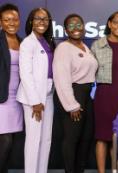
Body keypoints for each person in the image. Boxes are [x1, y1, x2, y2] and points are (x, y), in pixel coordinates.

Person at [53, 14, 98, 173]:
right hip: (73, 94)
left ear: (84, 27)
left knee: (86, 138)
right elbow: (61, 78)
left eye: (79, 24)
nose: (76, 28)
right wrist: (72, 105)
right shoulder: (63, 48)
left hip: (86, 95)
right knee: (71, 140)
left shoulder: (85, 47)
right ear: (65, 30)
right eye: (71, 26)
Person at [91, 11, 118, 173]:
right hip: (104, 94)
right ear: (109, 24)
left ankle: (115, 170)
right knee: (102, 136)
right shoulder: (97, 45)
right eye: (116, 22)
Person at [16, 7, 55, 173]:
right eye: (38, 18)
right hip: (34, 99)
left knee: (46, 140)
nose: (42, 22)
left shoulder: (47, 42)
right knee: (33, 140)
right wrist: (35, 102)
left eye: (45, 19)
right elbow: (25, 74)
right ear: (31, 21)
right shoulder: (27, 43)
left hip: (48, 96)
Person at [0, 3, 23, 173]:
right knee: (5, 140)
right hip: (2, 98)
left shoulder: (23, 41)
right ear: (1, 22)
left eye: (14, 19)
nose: (11, 23)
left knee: (12, 141)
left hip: (18, 98)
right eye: (7, 20)